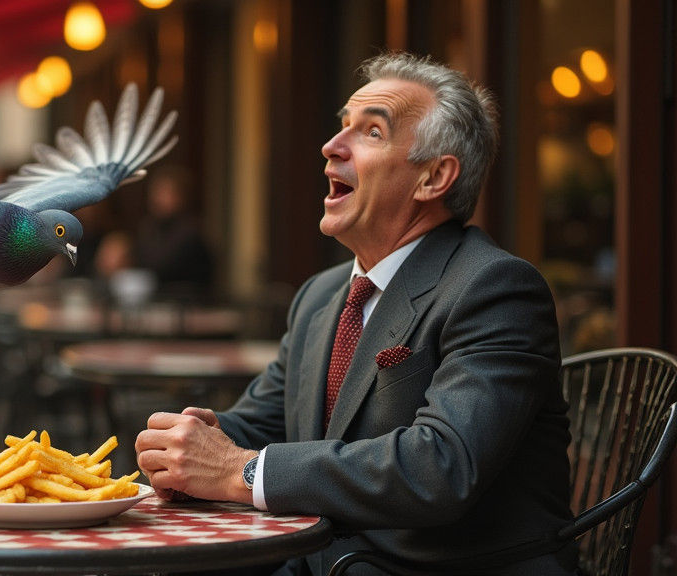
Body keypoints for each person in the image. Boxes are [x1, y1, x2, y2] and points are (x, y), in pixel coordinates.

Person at [135, 53, 577, 575]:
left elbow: (440, 467)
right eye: (342, 125)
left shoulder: (495, 289)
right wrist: (188, 442)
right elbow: (264, 422)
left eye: (370, 132)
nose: (330, 146)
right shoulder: (321, 296)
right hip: (322, 561)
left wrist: (241, 471)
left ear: (434, 177)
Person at [133, 167, 213, 300]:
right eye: (155, 193)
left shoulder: (190, 232)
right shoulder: (149, 228)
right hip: (157, 303)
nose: (157, 199)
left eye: (165, 193)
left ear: (181, 196)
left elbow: (162, 267)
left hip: (188, 305)